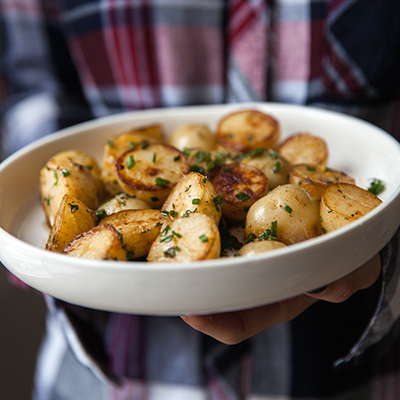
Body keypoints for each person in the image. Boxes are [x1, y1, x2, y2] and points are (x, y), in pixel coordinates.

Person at [0, 0, 399, 399]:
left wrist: (383, 245)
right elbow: (39, 91)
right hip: (111, 371)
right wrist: (51, 257)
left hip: (349, 367)